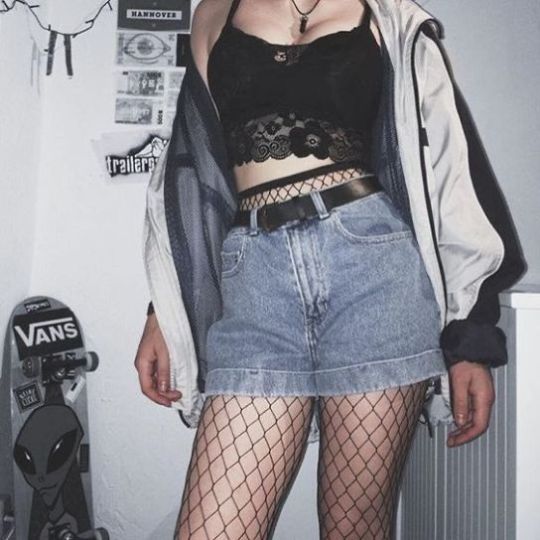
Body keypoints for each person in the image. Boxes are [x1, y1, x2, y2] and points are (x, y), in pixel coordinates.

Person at [134, 0, 525, 538]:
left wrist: (471, 340)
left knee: (354, 527)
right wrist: (163, 307)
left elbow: (453, 172)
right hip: (255, 280)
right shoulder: (215, 11)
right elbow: (192, 174)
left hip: (375, 270)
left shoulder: (390, 15)